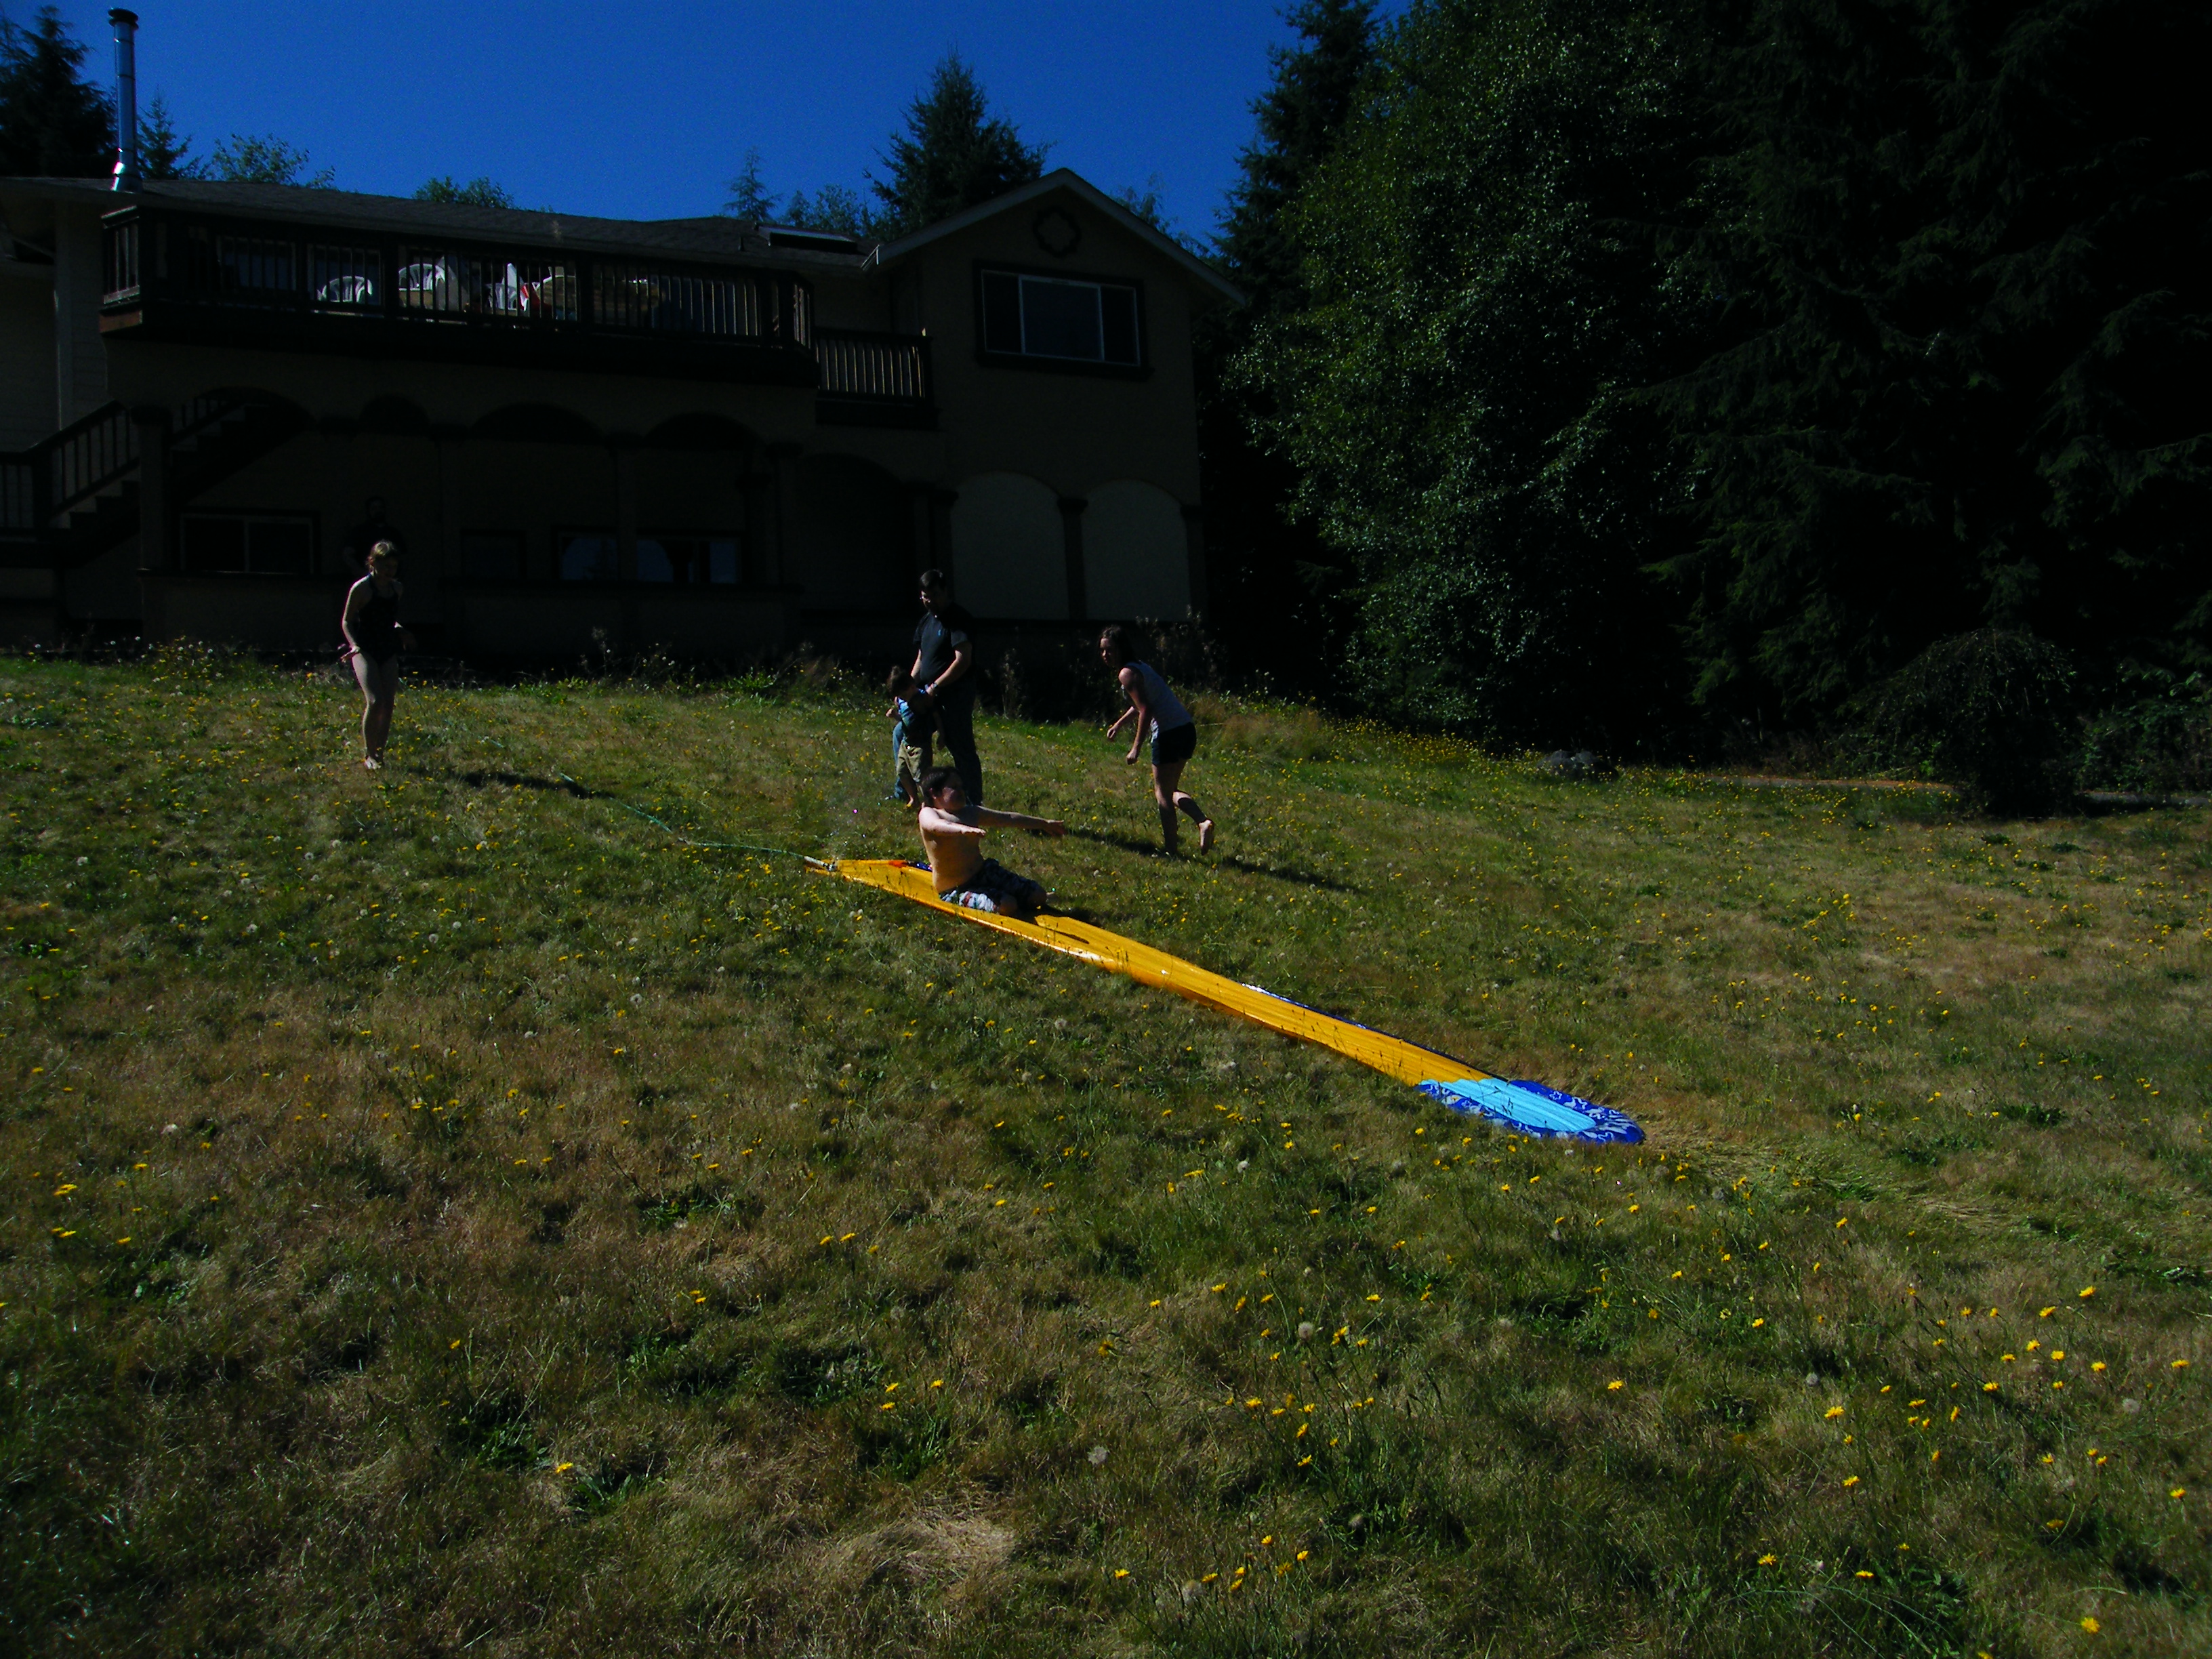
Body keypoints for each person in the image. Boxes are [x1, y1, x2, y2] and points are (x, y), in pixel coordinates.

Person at [1101, 624, 1215, 854]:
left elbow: (1146, 709)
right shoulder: (1140, 667)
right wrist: (1119, 724)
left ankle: (1171, 851)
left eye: (1110, 650)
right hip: (1186, 729)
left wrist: (1136, 747)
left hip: (1168, 733)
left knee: (1162, 793)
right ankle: (1203, 822)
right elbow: (1141, 704)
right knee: (1170, 789)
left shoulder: (1127, 673)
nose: (1105, 655)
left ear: (1122, 649)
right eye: (1102, 650)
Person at [914, 765, 1064, 918]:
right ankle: (1010, 901)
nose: (961, 791)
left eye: (961, 787)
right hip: (956, 888)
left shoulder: (970, 812)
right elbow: (936, 826)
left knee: (1038, 895)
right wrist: (962, 829)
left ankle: (1018, 898)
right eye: (954, 787)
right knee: (1008, 905)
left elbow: (1008, 818)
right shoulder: (929, 813)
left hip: (985, 874)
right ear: (934, 793)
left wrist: (1043, 824)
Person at [908, 568, 983, 804]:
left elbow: (963, 660)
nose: (931, 601)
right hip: (927, 696)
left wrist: (935, 687)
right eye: (926, 597)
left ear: (945, 592)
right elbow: (922, 658)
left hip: (954, 696)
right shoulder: (926, 621)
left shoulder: (959, 619)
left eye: (935, 595)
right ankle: (913, 795)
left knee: (962, 749)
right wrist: (908, 687)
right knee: (907, 737)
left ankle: (972, 802)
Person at [341, 539, 413, 769]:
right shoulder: (361, 588)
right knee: (375, 700)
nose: (390, 571)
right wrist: (354, 646)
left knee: (388, 704)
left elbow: (389, 619)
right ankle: (369, 754)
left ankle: (379, 754)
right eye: (385, 566)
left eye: (394, 567)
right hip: (365, 649)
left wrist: (401, 630)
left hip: (387, 649)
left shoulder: (396, 589)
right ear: (372, 562)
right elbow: (346, 621)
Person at [885, 663, 933, 806]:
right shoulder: (903, 701)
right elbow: (905, 720)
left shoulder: (921, 699)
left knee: (920, 774)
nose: (903, 699)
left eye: (904, 695)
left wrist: (941, 734)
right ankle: (913, 798)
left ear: (912, 687)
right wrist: (896, 715)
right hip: (906, 742)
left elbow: (935, 715)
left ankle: (929, 801)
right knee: (902, 771)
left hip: (920, 743)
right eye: (900, 697)